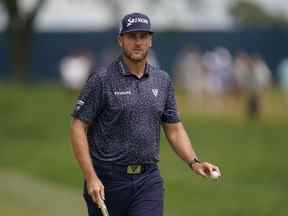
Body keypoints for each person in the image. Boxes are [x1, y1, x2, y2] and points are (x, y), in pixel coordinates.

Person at [70, 12, 221, 216]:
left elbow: (174, 129)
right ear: (120, 40)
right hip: (107, 182)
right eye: (132, 37)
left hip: (147, 181)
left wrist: (194, 162)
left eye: (143, 36)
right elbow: (79, 127)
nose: (138, 42)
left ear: (150, 41)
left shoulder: (162, 80)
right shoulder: (101, 80)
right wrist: (91, 177)